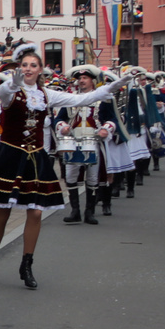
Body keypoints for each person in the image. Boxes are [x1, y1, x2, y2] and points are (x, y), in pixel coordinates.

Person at [0, 44, 129, 287]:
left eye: (33, 65)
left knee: (36, 212)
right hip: (10, 156)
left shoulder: (45, 94)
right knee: (3, 211)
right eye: (25, 65)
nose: (29, 69)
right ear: (19, 68)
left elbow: (80, 98)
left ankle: (27, 265)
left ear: (41, 69)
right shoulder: (10, 90)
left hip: (36, 157)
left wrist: (109, 88)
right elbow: (2, 94)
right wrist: (13, 83)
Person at [56, 66, 114, 226]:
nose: (81, 81)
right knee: (70, 175)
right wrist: (63, 127)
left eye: (85, 78)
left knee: (93, 177)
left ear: (92, 81)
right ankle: (75, 211)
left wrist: (106, 129)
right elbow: (59, 118)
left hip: (94, 141)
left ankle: (90, 212)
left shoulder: (103, 99)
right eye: (79, 79)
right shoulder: (70, 98)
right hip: (73, 141)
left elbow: (112, 119)